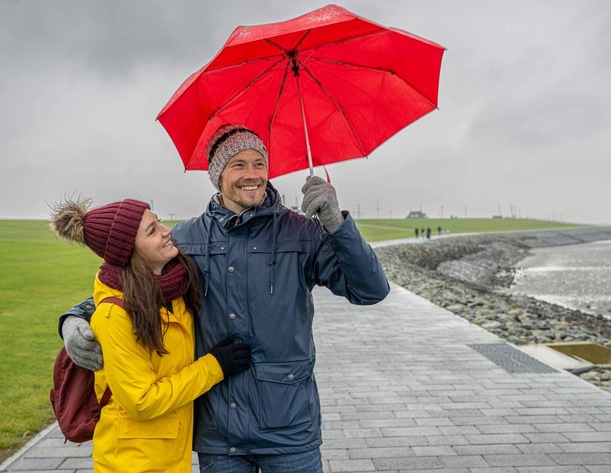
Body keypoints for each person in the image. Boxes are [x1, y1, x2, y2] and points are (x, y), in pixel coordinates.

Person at [59, 125, 390, 473]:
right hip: (219, 432)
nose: (252, 175)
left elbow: (370, 290)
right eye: (239, 165)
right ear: (218, 176)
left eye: (259, 164)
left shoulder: (302, 232)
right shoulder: (185, 238)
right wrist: (74, 318)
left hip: (290, 428)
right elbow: (129, 288)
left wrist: (336, 225)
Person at [49, 197, 251, 473]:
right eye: (152, 230)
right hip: (132, 460)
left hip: (170, 455)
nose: (167, 231)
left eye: (159, 222)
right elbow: (142, 402)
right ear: (128, 251)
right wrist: (214, 366)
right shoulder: (115, 316)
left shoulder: (175, 287)